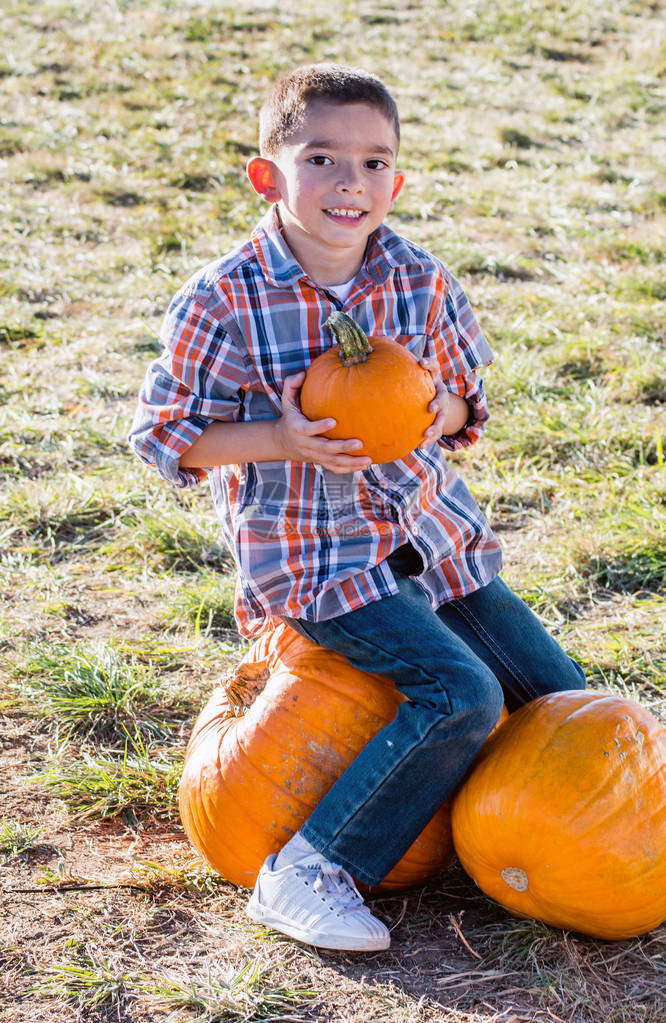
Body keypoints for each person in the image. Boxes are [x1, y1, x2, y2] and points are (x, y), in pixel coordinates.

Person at [129, 63, 586, 953]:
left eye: (375, 163)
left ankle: (519, 844)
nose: (351, 181)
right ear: (268, 175)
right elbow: (165, 436)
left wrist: (432, 407)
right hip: (319, 560)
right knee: (461, 691)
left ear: (397, 181)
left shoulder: (417, 279)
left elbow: (465, 403)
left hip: (435, 542)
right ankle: (309, 866)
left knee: (556, 703)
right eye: (323, 157)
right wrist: (281, 438)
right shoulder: (226, 299)